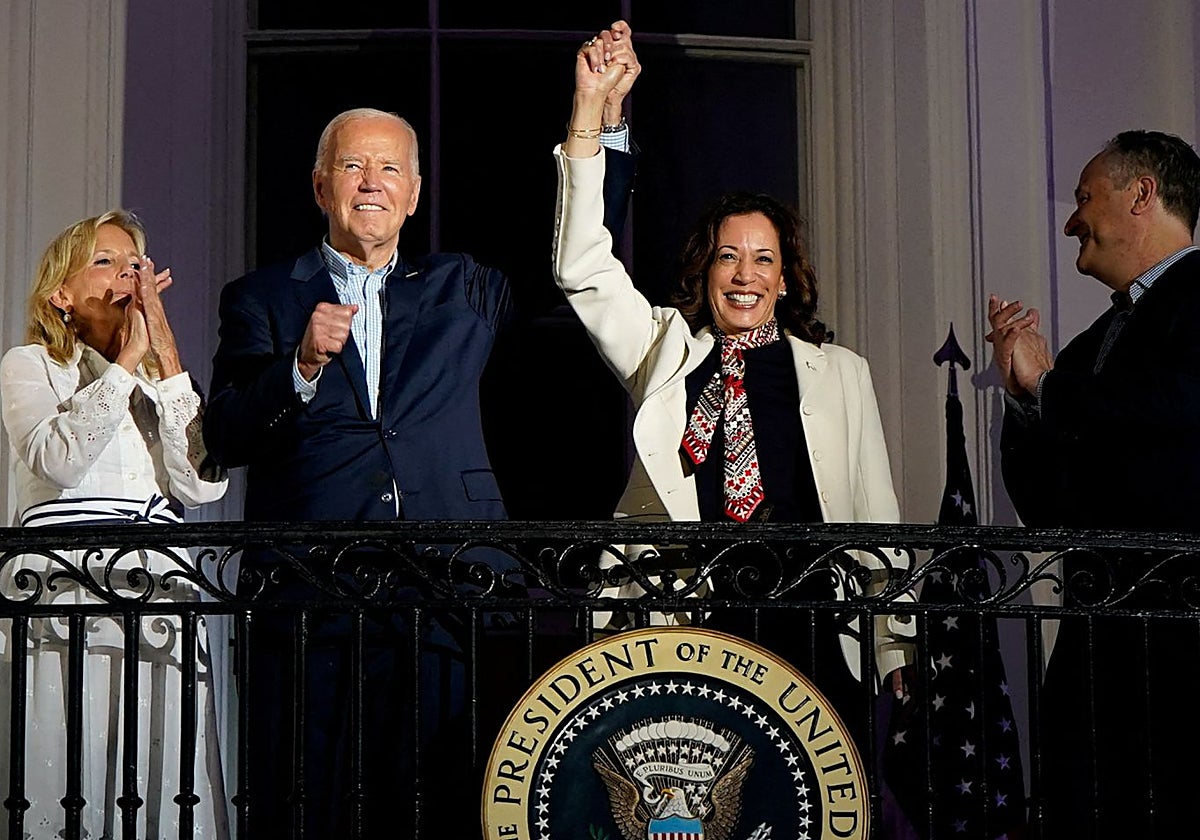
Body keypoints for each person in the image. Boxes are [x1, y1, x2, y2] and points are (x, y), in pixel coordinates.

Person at [203, 23, 639, 839]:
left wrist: (596, 118)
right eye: (353, 166)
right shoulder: (262, 296)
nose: (371, 181)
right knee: (311, 804)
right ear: (321, 186)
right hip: (314, 595)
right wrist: (296, 367)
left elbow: (579, 245)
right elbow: (223, 436)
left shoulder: (460, 287)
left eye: (390, 168)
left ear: (414, 192)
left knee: (445, 802)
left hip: (453, 588)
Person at [552, 37, 914, 726]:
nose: (745, 275)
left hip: (814, 624)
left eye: (762, 260)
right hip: (691, 624)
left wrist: (894, 644)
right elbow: (583, 268)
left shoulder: (840, 373)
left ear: (784, 277)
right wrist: (589, 114)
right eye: (728, 257)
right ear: (705, 270)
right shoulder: (664, 351)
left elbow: (876, 513)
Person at [987, 130, 1200, 838]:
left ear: (1142, 194)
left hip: (1179, 643)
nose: (1073, 220)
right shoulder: (1098, 342)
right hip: (1102, 637)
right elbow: (1050, 505)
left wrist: (1050, 387)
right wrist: (1024, 399)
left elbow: (1179, 407)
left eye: (1085, 199)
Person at [0, 211, 230, 838]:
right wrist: (125, 364)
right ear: (61, 295)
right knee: (72, 756)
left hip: (157, 585)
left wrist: (164, 353)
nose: (128, 271)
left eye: (135, 262)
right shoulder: (29, 365)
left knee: (159, 762)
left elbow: (203, 485)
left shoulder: (161, 382)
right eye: (105, 260)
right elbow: (59, 460)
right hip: (68, 584)